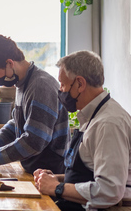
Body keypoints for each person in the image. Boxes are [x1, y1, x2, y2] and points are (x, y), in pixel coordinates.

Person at [34, 50, 131, 210]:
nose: (60, 90)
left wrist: (57, 188)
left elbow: (110, 191)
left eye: (63, 84)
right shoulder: (92, 115)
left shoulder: (108, 123)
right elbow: (90, 175)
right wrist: (55, 179)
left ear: (80, 84)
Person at [0, 34, 69, 174]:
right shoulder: (22, 84)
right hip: (35, 170)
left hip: (51, 173)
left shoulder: (40, 86)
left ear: (9, 63)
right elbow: (16, 124)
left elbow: (34, 142)